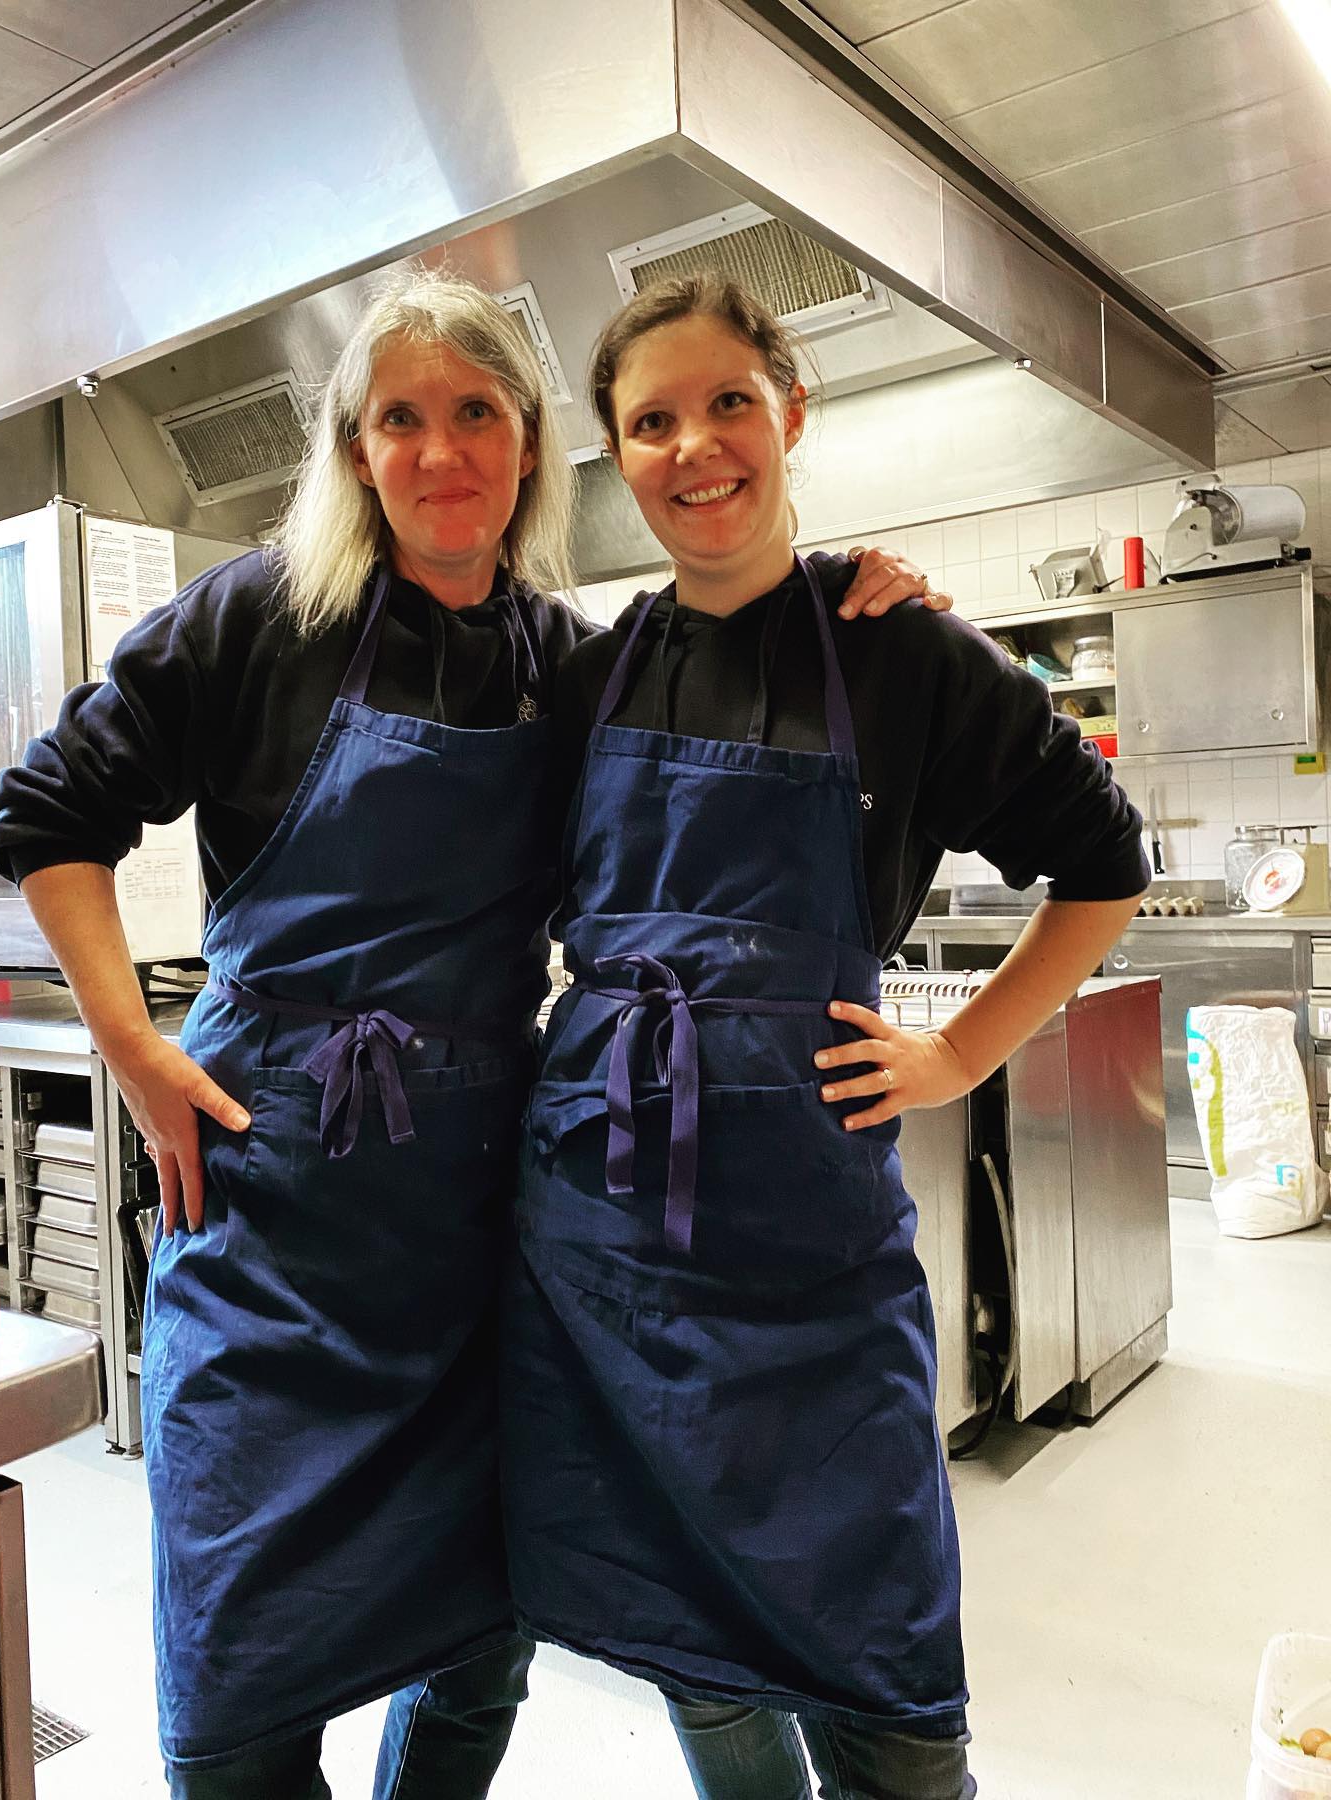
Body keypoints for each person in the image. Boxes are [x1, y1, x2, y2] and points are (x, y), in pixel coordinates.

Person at [0, 268, 943, 1799]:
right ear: (355, 451)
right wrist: (136, 1051)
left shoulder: (569, 664)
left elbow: (728, 672)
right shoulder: (261, 618)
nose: (442, 453)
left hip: (477, 1225)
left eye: (478, 413)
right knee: (236, 1679)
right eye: (402, 419)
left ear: (530, 441)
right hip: (272, 1215)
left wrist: (860, 610)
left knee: (481, 1636)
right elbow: (50, 813)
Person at [500, 274, 1151, 1800]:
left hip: (812, 1250)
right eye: (651, 421)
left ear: (792, 413)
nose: (695, 446)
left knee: (888, 1664)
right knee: (684, 1621)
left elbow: (1104, 863)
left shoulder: (903, 652)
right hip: (607, 1235)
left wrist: (962, 1055)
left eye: (729, 401)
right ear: (615, 457)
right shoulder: (587, 676)